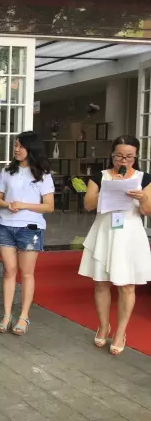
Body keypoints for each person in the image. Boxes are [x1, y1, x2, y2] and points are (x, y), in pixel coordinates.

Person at [79, 135, 151, 355]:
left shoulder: (144, 178)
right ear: (112, 155)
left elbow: (147, 211)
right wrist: (108, 190)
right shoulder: (100, 176)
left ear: (136, 156)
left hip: (129, 234)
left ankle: (120, 332)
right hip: (105, 231)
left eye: (129, 157)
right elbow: (88, 205)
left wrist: (143, 198)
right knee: (101, 283)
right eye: (119, 156)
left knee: (127, 285)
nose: (124, 161)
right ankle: (103, 326)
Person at [0, 131, 54, 336]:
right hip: (5, 225)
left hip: (30, 228)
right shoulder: (7, 171)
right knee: (9, 271)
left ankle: (23, 316)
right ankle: (6, 315)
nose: (16, 149)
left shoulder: (43, 174)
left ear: (31, 148)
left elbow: (49, 206)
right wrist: (7, 205)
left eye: (20, 146)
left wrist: (24, 205)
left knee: (26, 273)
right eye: (15, 145)